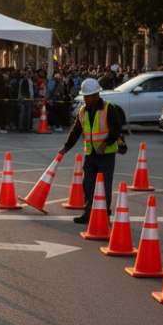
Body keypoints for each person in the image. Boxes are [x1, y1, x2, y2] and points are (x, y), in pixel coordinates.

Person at [58, 78, 123, 224]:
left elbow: (116, 128)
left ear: (96, 95)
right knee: (88, 185)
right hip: (90, 155)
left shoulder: (108, 108)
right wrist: (66, 147)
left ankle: (104, 215)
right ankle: (88, 213)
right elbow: (76, 130)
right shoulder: (82, 111)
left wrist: (106, 143)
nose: (85, 99)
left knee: (104, 185)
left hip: (106, 155)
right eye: (84, 96)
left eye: (88, 96)